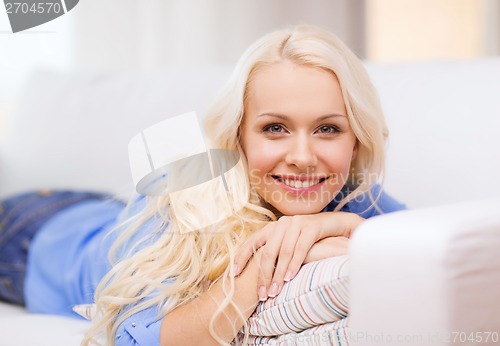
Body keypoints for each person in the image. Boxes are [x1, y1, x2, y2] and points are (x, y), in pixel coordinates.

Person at [0, 24, 405, 346]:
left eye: (328, 128)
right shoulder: (188, 197)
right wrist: (267, 261)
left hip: (105, 211)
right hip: (31, 235)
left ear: (356, 142)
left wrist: (341, 227)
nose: (302, 156)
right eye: (275, 128)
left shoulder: (350, 194)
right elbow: (134, 338)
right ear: (238, 137)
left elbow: (434, 247)